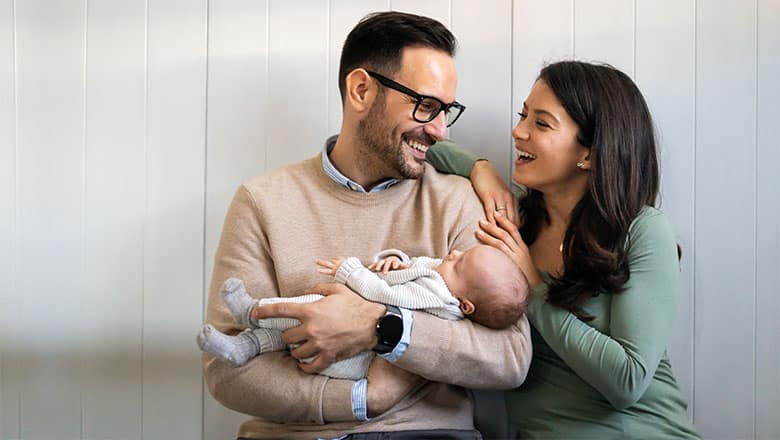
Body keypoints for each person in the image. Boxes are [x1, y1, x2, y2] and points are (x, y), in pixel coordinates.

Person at [202, 10, 531, 440]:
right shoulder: (263, 201)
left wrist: (383, 326)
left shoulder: (457, 202)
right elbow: (227, 368)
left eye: (446, 111)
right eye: (426, 106)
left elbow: (510, 355)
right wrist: (363, 399)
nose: (441, 132)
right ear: (360, 90)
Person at [426, 60, 701, 438]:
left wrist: (532, 285)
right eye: (523, 115)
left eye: (541, 123)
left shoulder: (642, 230)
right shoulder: (514, 221)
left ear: (588, 153)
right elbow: (431, 148)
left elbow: (627, 380)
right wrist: (482, 169)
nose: (518, 131)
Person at [198, 245, 529, 375]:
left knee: (313, 308)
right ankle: (246, 345)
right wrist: (396, 259)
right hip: (351, 354)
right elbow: (412, 269)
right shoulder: (446, 280)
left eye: (461, 263)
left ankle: (252, 312)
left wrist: (350, 271)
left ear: (465, 305)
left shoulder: (437, 295)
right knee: (289, 336)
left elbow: (384, 293)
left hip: (354, 358)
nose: (454, 252)